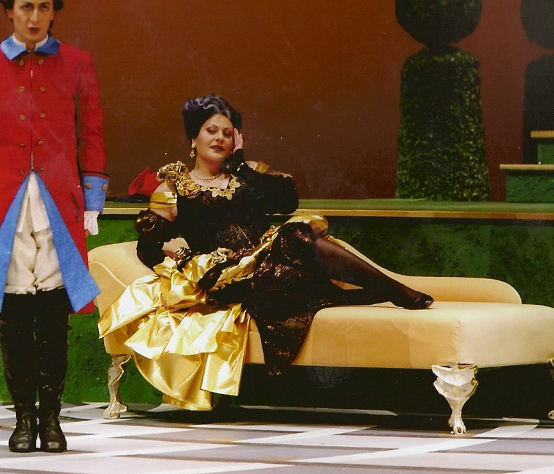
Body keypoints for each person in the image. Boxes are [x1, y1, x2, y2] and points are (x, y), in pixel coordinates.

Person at [98, 94, 431, 411]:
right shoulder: (175, 187)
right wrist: (177, 255)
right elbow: (148, 248)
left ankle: (392, 291)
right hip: (227, 276)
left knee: (296, 236)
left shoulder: (248, 173)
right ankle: (392, 291)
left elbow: (287, 202)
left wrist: (241, 165)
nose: (219, 139)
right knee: (296, 245)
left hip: (270, 259)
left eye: (227, 133)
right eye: (211, 131)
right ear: (194, 138)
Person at [0, 0, 108, 453]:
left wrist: (92, 203)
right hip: (6, 208)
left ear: (53, 11)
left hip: (59, 205)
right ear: (9, 10)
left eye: (44, 6)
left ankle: (52, 421)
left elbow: (91, 134)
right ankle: (23, 419)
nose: (35, 16)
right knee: (15, 316)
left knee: (55, 318)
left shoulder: (78, 63)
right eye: (26, 6)